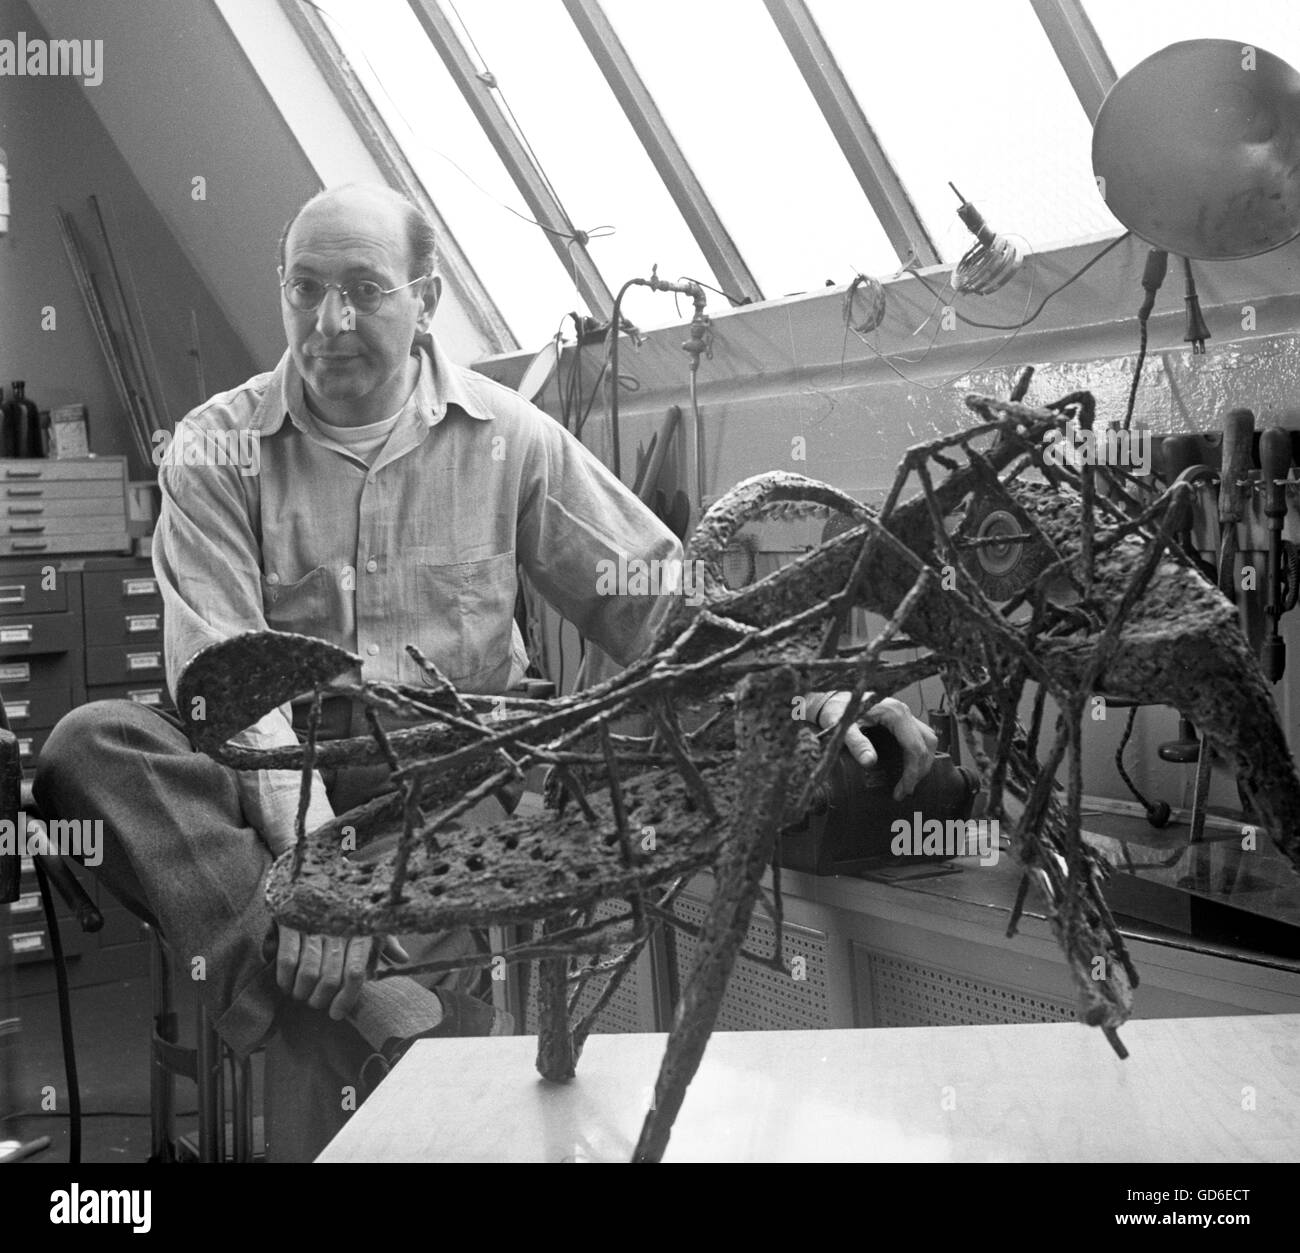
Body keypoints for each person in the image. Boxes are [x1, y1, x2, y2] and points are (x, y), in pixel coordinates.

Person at [35, 183, 935, 1160]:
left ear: (423, 297)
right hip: (277, 757)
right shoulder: (217, 442)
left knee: (657, 759)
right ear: (281, 291)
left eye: (364, 291)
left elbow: (661, 607)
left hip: (457, 756)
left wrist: (809, 681)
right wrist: (319, 878)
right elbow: (226, 687)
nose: (330, 322)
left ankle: (354, 1011)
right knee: (93, 745)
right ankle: (374, 1007)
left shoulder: (512, 435)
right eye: (306, 291)